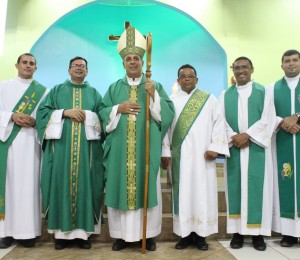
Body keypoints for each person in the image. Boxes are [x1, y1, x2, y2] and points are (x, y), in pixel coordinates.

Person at [100, 26, 174, 251]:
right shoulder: (114, 88)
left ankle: (147, 235)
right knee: (120, 187)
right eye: (129, 59)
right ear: (123, 63)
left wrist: (154, 98)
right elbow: (102, 113)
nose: (132, 62)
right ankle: (121, 236)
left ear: (142, 62)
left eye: (136, 59)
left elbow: (167, 115)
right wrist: (117, 108)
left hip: (145, 150)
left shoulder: (154, 85)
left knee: (146, 188)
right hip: (120, 152)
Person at [36, 56, 104, 250]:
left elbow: (103, 117)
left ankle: (84, 235)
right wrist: (64, 112)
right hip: (61, 150)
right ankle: (61, 235)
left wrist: (88, 115)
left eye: (82, 66)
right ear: (68, 70)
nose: (79, 69)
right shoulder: (57, 90)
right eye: (75, 66)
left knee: (86, 186)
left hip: (87, 153)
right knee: (60, 185)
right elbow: (42, 114)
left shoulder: (94, 93)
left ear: (87, 71)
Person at [161, 64, 229, 250]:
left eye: (190, 76)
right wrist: (166, 152)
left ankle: (201, 235)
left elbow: (219, 123)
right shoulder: (171, 101)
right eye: (183, 76)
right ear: (178, 80)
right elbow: (165, 130)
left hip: (203, 157)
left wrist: (215, 147)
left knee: (202, 194)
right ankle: (184, 235)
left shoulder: (209, 99)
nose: (187, 79)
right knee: (182, 195)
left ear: (197, 79)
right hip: (180, 159)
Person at [220, 57, 276, 251]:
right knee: (235, 189)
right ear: (232, 70)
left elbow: (268, 118)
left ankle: (258, 235)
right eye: (237, 68)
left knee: (257, 190)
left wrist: (248, 135)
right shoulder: (225, 95)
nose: (241, 70)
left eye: (245, 67)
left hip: (256, 148)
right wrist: (234, 137)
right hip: (235, 147)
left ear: (252, 69)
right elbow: (221, 121)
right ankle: (237, 233)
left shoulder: (264, 91)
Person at [0, 53, 47, 248]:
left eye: (32, 63)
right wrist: (11, 116)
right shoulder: (3, 87)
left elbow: (46, 116)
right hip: (8, 143)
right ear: (17, 65)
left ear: (36, 68)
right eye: (25, 63)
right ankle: (6, 233)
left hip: (30, 144)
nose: (28, 66)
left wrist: (36, 121)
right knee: (8, 186)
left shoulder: (43, 91)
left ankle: (28, 232)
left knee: (29, 187)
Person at [267, 49, 300, 247]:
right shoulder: (271, 88)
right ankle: (288, 234)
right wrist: (283, 122)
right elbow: (267, 114)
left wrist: (297, 117)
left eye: (295, 60)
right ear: (281, 65)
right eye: (287, 61)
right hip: (282, 142)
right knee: (284, 183)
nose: (291, 63)